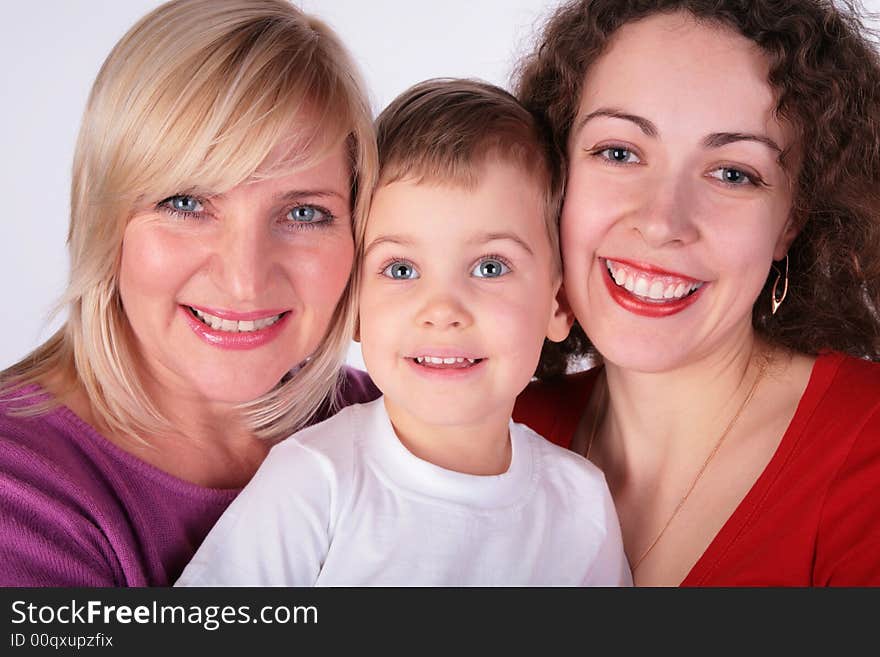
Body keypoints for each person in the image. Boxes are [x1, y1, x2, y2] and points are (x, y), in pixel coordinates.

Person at [176, 79, 632, 586]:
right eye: (400, 270)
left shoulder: (582, 506)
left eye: (489, 267)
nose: (441, 310)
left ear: (559, 303)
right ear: (352, 304)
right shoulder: (316, 479)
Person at [0, 0, 381, 587]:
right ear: (105, 218)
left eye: (304, 212)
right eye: (186, 203)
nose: (244, 279)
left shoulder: (395, 420)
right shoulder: (19, 488)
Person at [511, 0, 880, 586]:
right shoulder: (499, 431)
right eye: (619, 152)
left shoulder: (868, 451)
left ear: (793, 219)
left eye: (733, 173)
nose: (662, 222)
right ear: (553, 176)